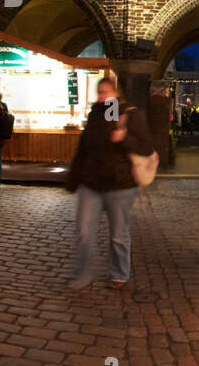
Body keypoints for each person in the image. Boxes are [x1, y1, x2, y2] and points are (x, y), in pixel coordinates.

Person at [65, 74, 158, 289]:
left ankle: (119, 274)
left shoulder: (126, 113)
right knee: (83, 230)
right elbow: (84, 149)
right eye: (100, 92)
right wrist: (74, 178)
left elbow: (146, 147)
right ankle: (84, 274)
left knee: (118, 233)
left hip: (119, 184)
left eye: (107, 92)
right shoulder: (96, 114)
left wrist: (124, 138)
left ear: (116, 93)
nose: (103, 97)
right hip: (92, 183)